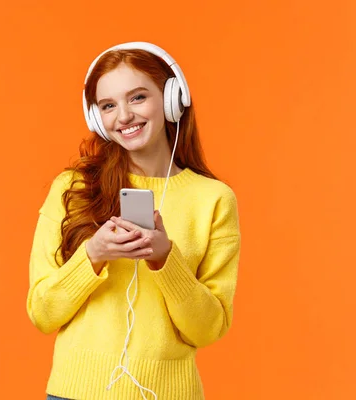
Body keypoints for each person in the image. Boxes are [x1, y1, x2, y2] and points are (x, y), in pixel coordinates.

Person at [26, 42, 241, 400]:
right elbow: (42, 313)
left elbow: (208, 330)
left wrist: (165, 260)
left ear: (172, 99)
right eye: (108, 105)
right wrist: (92, 255)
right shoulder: (73, 188)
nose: (123, 116)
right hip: (75, 393)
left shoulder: (214, 199)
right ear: (97, 117)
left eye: (138, 97)